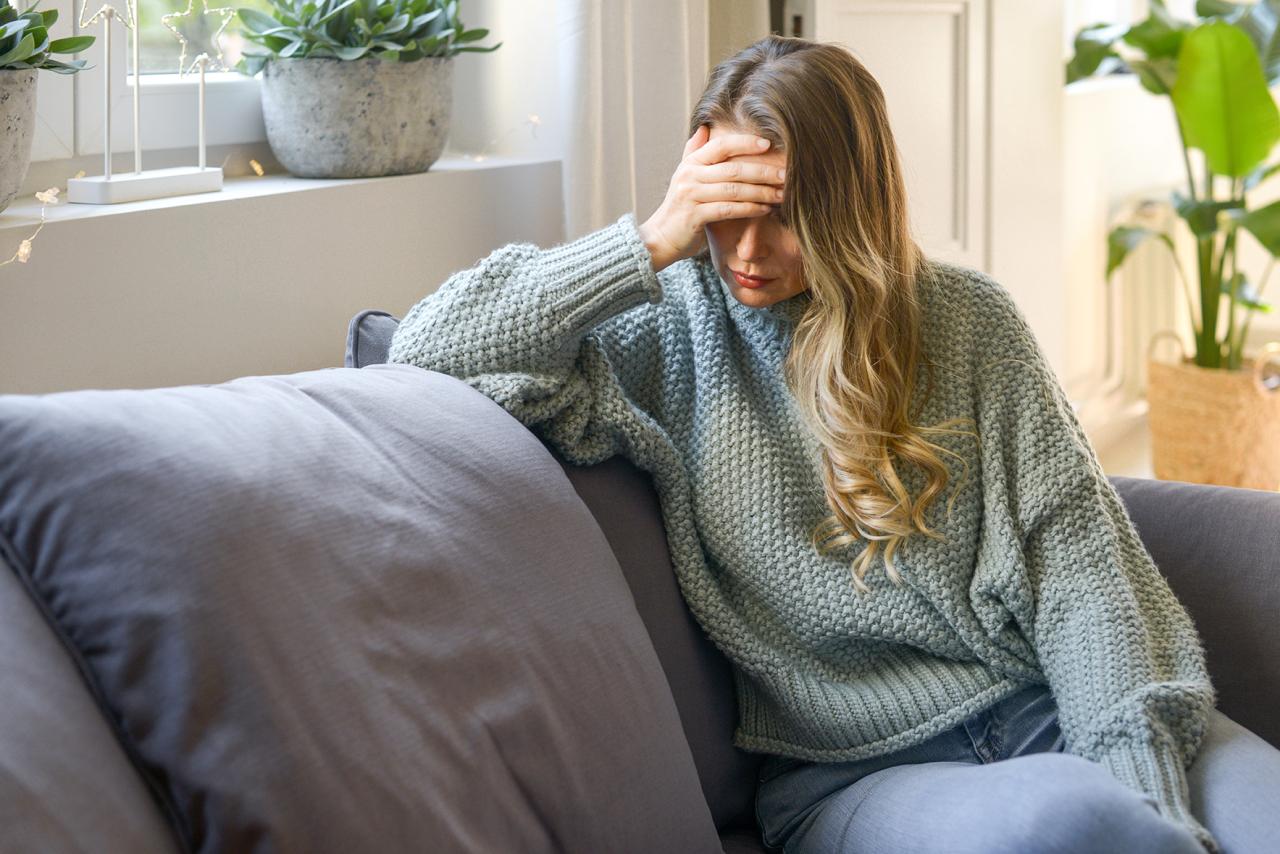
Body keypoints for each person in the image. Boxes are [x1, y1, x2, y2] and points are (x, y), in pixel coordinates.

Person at [387, 34, 1280, 854]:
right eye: (724, 208)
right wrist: (652, 239)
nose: (747, 249)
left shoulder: (969, 322)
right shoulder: (663, 333)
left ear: (849, 204)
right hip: (854, 777)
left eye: (784, 213)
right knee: (1076, 824)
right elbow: (427, 349)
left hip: (1040, 709)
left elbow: (1080, 568)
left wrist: (1145, 783)